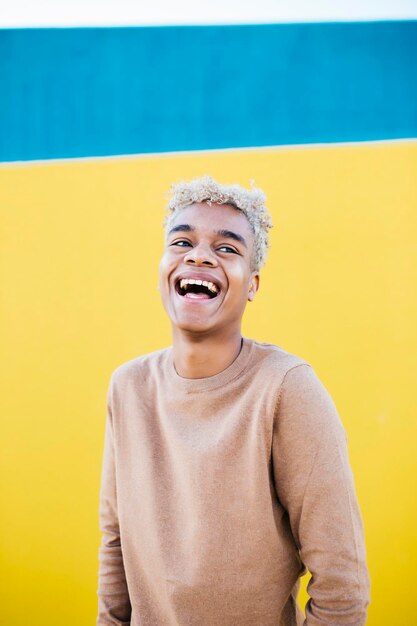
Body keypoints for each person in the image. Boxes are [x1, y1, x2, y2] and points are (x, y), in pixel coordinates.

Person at [96, 175, 371, 625]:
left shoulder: (287, 388)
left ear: (253, 284)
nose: (199, 255)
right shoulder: (128, 387)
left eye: (227, 249)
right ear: (163, 265)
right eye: (181, 241)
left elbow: (342, 580)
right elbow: (115, 543)